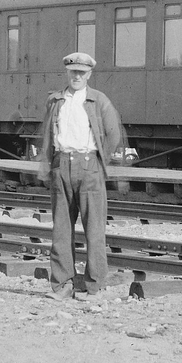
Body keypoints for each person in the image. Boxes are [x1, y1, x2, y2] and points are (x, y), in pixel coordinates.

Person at [36, 51, 126, 301]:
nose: (76, 76)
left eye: (81, 73)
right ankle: (62, 285)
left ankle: (92, 287)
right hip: (61, 165)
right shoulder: (56, 100)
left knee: (94, 230)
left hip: (89, 167)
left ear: (89, 75)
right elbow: (48, 135)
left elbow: (113, 135)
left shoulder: (99, 100)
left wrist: (97, 161)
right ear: (67, 73)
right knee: (61, 230)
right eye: (73, 72)